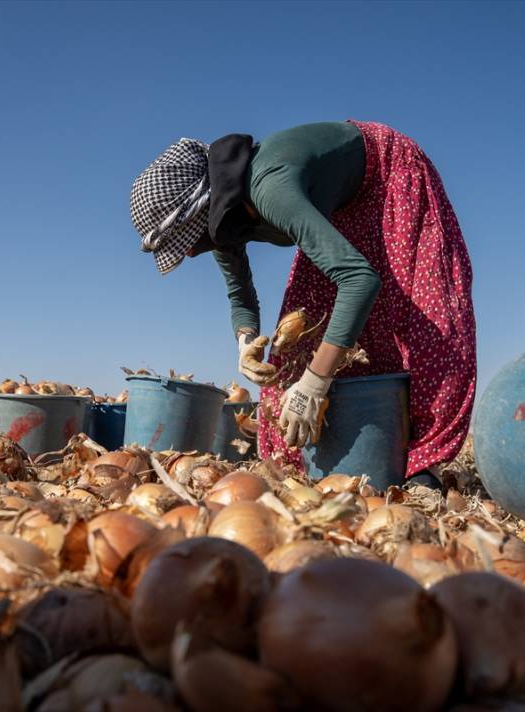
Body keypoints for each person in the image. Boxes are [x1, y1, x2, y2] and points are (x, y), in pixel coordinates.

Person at [129, 121, 476, 484]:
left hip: (388, 171)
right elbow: (240, 294)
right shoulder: (223, 222)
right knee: (302, 336)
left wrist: (315, 382)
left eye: (181, 241)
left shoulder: (271, 190)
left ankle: (423, 464)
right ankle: (318, 461)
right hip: (337, 203)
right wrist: (245, 342)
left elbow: (359, 281)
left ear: (199, 209)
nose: (186, 252)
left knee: (424, 318)